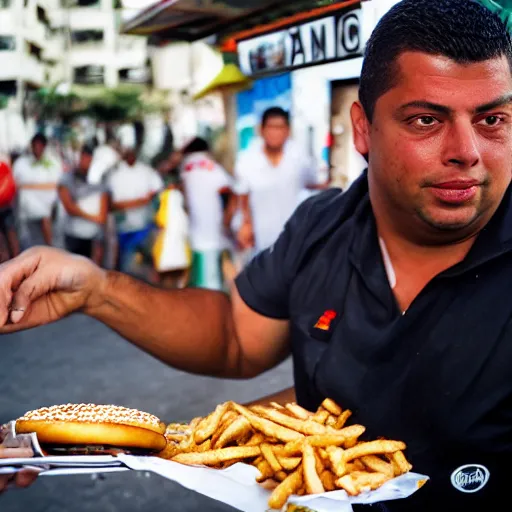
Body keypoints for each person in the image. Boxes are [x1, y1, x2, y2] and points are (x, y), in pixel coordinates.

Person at [1, 1, 511, 509]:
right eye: (426, 119)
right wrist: (96, 289)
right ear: (362, 129)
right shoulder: (321, 225)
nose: (466, 150)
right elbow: (233, 337)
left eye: (492, 119)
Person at [234, 107, 325, 253]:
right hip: (261, 239)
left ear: (287, 131)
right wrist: (245, 224)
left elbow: (313, 182)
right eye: (271, 127)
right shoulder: (247, 160)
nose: (275, 133)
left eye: (280, 127)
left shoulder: (299, 158)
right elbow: (242, 196)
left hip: (294, 237)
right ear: (261, 130)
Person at [179, 137, 235, 291]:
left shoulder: (186, 166)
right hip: (214, 222)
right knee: (213, 274)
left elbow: (184, 194)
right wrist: (227, 216)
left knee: (202, 270)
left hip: (197, 225)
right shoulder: (211, 166)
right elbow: (227, 189)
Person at [107, 147, 163, 274]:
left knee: (148, 262)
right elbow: (112, 204)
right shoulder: (115, 174)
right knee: (126, 265)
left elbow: (157, 189)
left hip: (145, 225)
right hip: (124, 227)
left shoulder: (146, 171)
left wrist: (146, 201)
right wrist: (139, 202)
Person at [58, 145, 108, 265]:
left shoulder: (100, 180)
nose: (86, 161)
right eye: (84, 157)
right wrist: (93, 217)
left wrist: (98, 219)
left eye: (89, 158)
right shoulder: (67, 178)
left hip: (94, 236)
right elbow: (69, 206)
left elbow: (104, 209)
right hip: (73, 234)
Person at [12, 133, 63, 248]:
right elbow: (15, 185)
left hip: (48, 210)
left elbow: (57, 185)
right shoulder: (21, 163)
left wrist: (29, 187)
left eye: (40, 146)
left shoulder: (53, 163)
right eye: (35, 145)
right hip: (26, 212)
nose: (38, 149)